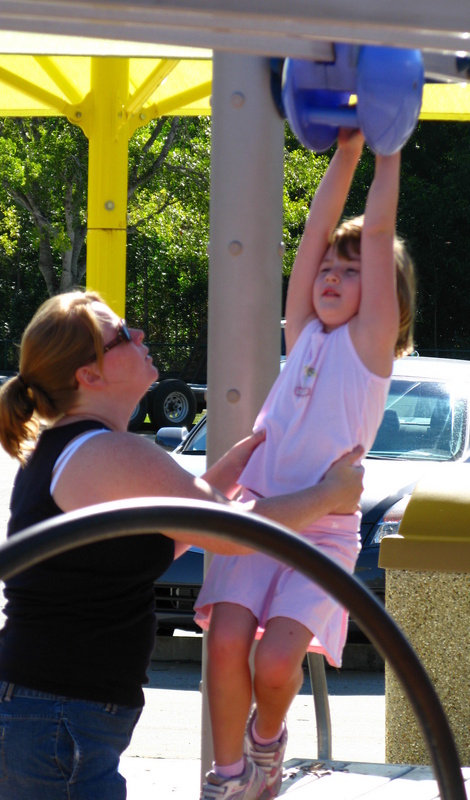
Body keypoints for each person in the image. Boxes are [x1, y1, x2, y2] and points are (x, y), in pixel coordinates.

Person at [0, 290, 365, 800]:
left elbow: (145, 549)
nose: (141, 335)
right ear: (90, 375)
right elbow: (234, 533)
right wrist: (331, 495)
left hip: (51, 710)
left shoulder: (73, 447)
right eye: (123, 335)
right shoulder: (108, 451)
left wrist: (223, 478)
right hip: (59, 714)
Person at [194, 129, 416, 800]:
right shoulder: (304, 333)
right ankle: (229, 776)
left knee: (276, 658)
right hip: (258, 513)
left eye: (351, 273)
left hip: (322, 529)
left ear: (385, 301)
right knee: (227, 641)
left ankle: (267, 743)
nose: (331, 275)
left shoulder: (369, 346)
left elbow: (375, 236)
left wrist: (386, 153)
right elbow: (315, 235)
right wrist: (342, 156)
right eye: (327, 268)